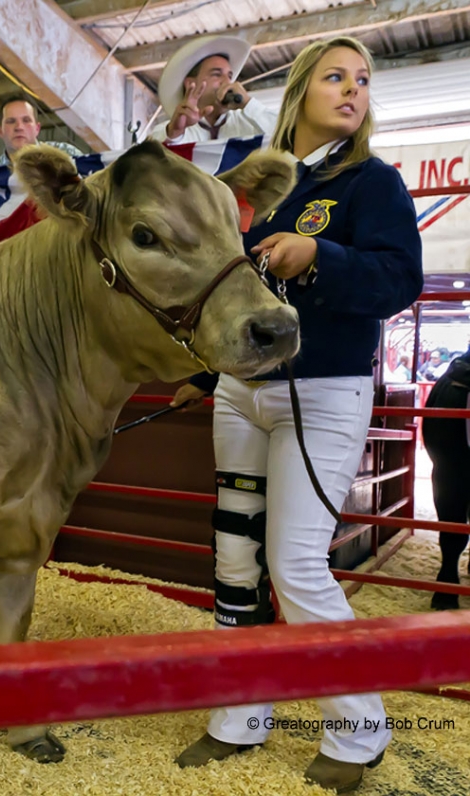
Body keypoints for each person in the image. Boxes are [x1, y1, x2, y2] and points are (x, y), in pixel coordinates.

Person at [168, 36, 423, 793]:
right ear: (301, 92)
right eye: (335, 76)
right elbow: (230, 297)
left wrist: (319, 257)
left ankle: (359, 728)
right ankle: (239, 717)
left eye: (363, 80)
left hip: (324, 390)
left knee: (297, 561)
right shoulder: (256, 184)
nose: (352, 90)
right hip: (243, 393)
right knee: (235, 560)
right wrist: (207, 376)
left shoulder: (371, 182)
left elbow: (400, 278)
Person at [150, 34, 278, 144]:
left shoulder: (248, 122)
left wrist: (249, 104)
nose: (227, 82)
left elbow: (288, 135)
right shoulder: (169, 130)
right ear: (190, 84)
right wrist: (176, 131)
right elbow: (153, 157)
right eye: (216, 74)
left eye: (229, 76)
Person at [422, 347, 470, 610]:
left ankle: (448, 577)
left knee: (449, 488)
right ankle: (448, 574)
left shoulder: (449, 381)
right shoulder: (450, 381)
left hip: (448, 460)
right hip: (449, 458)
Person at [0, 99, 84, 167]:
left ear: (37, 129)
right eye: (11, 121)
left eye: (26, 120)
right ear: (0, 131)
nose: (19, 127)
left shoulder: (67, 154)